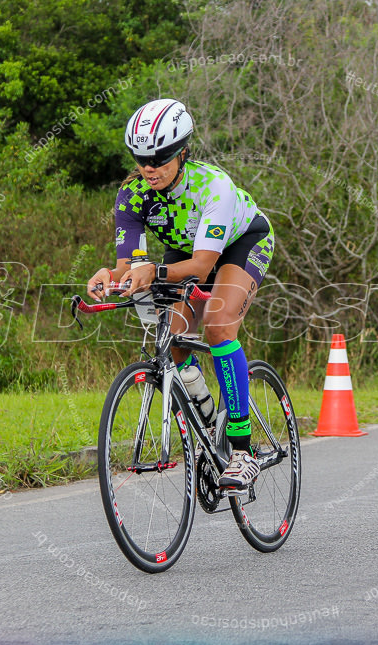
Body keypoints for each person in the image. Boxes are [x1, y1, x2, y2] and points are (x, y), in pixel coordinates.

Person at [87, 98, 275, 491]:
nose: (149, 167)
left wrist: (151, 272)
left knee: (219, 327)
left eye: (159, 158)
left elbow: (204, 267)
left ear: (182, 152)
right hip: (183, 251)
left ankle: (243, 451)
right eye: (140, 158)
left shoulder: (214, 186)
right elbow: (130, 263)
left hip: (240, 243)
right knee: (171, 336)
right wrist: (111, 274)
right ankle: (207, 419)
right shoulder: (133, 193)